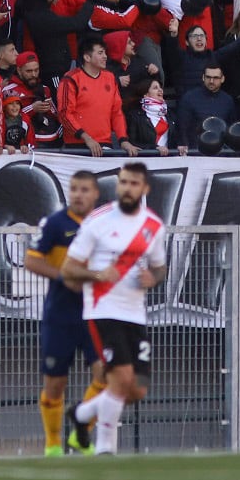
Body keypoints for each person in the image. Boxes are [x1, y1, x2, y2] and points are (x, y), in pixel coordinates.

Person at [60, 161, 165, 456]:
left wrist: (152, 278)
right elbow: (69, 269)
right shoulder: (98, 220)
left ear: (144, 189)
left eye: (134, 183)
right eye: (123, 182)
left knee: (136, 389)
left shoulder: (154, 226)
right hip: (102, 310)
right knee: (120, 379)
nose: (127, 188)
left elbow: (159, 268)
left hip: (135, 313)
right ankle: (105, 450)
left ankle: (81, 415)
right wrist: (97, 275)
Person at [25, 168, 105, 456]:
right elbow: (31, 262)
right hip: (60, 314)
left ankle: (80, 429)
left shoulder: (105, 225)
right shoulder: (55, 224)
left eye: (84, 190)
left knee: (105, 376)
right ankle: (53, 444)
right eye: (74, 189)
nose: (78, 195)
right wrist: (65, 276)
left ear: (95, 194)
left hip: (96, 314)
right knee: (55, 383)